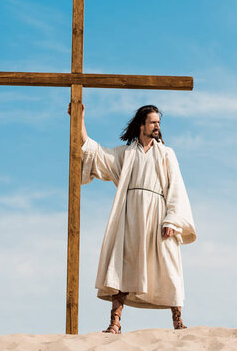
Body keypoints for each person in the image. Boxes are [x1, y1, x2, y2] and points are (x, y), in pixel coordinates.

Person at [70, 103, 196, 333]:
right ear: (142, 124)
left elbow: (176, 186)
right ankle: (115, 322)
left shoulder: (167, 154)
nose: (157, 126)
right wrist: (79, 119)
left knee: (169, 263)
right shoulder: (125, 154)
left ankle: (178, 320)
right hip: (130, 217)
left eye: (159, 122)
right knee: (122, 263)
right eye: (153, 122)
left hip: (158, 217)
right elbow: (94, 151)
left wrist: (172, 220)